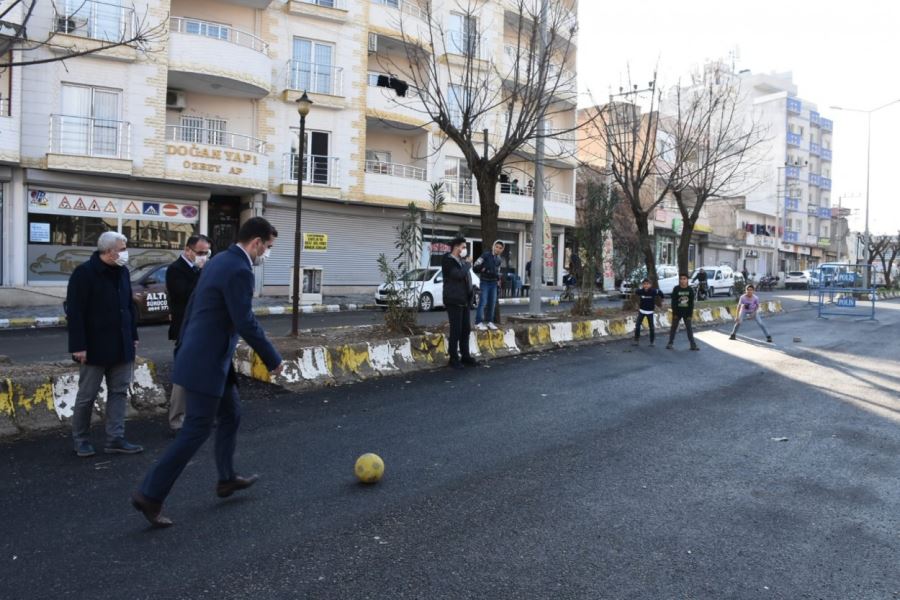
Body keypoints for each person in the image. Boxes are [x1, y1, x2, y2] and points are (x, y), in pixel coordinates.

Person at [132, 217, 284, 528]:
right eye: (267, 248)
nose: (265, 254)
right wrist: (272, 358)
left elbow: (192, 307)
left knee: (231, 415)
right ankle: (150, 494)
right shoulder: (240, 269)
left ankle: (226, 478)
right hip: (206, 360)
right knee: (196, 430)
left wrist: (184, 344)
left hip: (210, 357)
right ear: (256, 243)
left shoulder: (218, 261)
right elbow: (244, 321)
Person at [65, 232, 144, 458]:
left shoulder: (122, 272)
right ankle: (81, 440)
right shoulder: (84, 274)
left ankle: (115, 438)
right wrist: (78, 346)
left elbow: (127, 307)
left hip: (122, 344)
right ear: (109, 251)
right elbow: (75, 313)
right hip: (94, 347)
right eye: (122, 248)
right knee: (87, 396)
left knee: (119, 393)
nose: (125, 252)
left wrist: (133, 335)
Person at [165, 234, 212, 433]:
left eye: (206, 253)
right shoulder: (176, 270)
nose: (204, 257)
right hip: (185, 329)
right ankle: (177, 420)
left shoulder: (204, 269)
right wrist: (201, 272)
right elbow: (184, 295)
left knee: (204, 374)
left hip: (205, 328)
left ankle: (200, 415)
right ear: (188, 251)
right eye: (200, 253)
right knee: (183, 376)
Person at [441, 237, 478, 370]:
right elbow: (457, 275)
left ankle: (465, 356)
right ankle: (453, 358)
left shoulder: (462, 261)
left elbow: (466, 277)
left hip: (464, 300)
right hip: (453, 299)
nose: (464, 250)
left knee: (465, 329)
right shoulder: (448, 261)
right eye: (463, 247)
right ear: (456, 247)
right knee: (456, 330)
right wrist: (468, 264)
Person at [473, 240, 504, 331]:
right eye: (496, 247)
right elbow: (475, 265)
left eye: (500, 248)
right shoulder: (485, 255)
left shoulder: (499, 259)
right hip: (485, 282)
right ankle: (477, 322)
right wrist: (484, 269)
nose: (498, 249)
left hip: (494, 283)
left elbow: (497, 271)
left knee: (492, 303)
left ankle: (490, 322)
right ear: (493, 246)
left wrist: (498, 280)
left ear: (502, 250)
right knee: (483, 302)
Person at [666, 273, 699, 351]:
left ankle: (693, 345)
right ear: (679, 280)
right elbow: (673, 302)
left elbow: (691, 304)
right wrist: (675, 313)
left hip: (686, 313)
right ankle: (670, 343)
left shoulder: (690, 290)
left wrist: (690, 314)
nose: (682, 280)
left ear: (687, 280)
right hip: (677, 313)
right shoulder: (676, 289)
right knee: (673, 328)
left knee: (689, 329)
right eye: (681, 279)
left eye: (684, 279)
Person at [633, 278, 664, 346]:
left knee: (651, 327)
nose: (646, 285)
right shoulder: (640, 291)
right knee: (637, 326)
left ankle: (652, 342)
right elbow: (635, 292)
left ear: (650, 285)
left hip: (650, 312)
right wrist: (636, 304)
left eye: (647, 284)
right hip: (641, 311)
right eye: (644, 284)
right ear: (642, 285)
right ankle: (636, 340)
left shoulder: (654, 291)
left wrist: (662, 300)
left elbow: (661, 293)